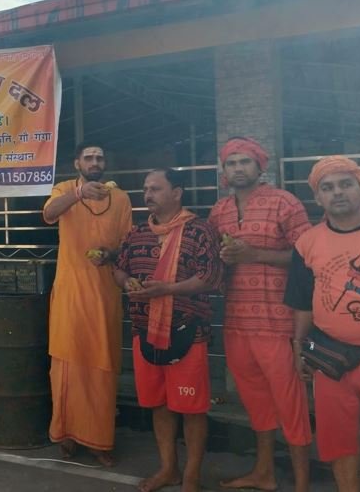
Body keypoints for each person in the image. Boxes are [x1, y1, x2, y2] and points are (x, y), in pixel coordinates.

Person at [284, 156, 360, 492]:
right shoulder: (307, 243)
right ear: (317, 198)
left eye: (346, 184)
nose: (337, 192)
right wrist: (299, 348)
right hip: (329, 353)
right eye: (327, 187)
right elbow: (303, 303)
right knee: (337, 441)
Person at [209, 138, 312, 491]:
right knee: (257, 404)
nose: (238, 168)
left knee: (291, 404)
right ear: (224, 170)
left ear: (259, 166)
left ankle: (301, 484)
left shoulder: (285, 202)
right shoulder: (219, 211)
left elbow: (308, 255)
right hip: (236, 322)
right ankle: (264, 473)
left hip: (278, 322)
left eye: (244, 162)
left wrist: (256, 255)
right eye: (231, 163)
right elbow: (212, 260)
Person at [114, 168, 223, 492]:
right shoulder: (137, 233)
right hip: (144, 332)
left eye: (156, 188)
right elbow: (119, 269)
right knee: (158, 404)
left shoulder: (200, 230)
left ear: (177, 193)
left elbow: (211, 277)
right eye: (146, 189)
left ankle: (191, 476)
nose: (148, 194)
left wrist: (168, 290)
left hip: (188, 333)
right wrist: (127, 282)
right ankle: (169, 469)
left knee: (191, 409)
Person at [41, 142, 132, 465]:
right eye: (89, 158)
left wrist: (110, 255)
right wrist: (78, 194)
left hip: (105, 296)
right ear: (77, 163)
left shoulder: (120, 198)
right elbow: (49, 214)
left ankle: (99, 440)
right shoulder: (64, 190)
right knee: (65, 367)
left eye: (100, 158)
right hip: (70, 295)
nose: (95, 162)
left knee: (101, 371)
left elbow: (127, 245)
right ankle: (66, 434)